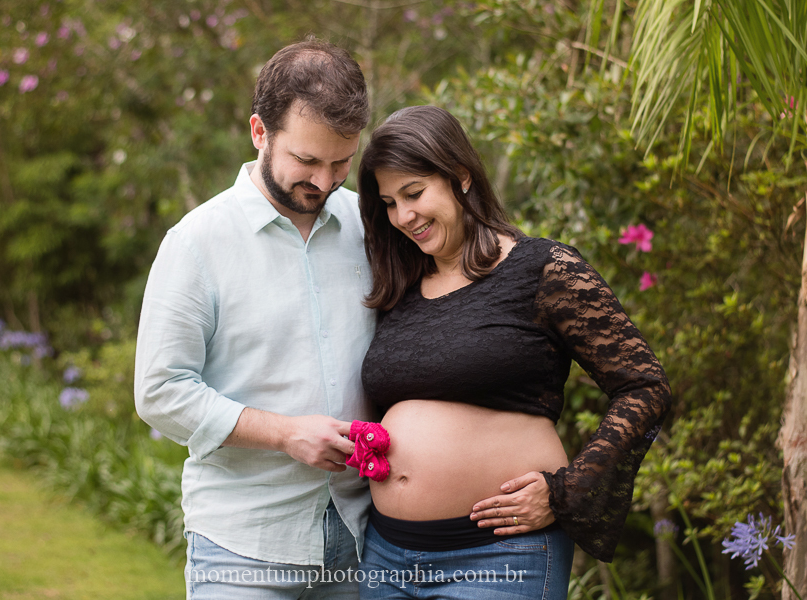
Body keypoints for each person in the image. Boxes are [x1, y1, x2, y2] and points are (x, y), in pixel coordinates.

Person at [356, 105, 672, 599]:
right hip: (385, 556)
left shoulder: (543, 269)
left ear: (460, 177)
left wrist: (566, 491)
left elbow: (644, 386)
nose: (404, 216)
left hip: (499, 556)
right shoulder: (400, 287)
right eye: (390, 203)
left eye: (415, 193)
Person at [134, 40, 376, 599]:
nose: (324, 181)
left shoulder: (369, 226)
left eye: (342, 161)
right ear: (259, 133)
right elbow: (159, 391)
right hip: (244, 542)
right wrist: (286, 433)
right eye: (307, 161)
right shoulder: (195, 243)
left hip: (363, 536)